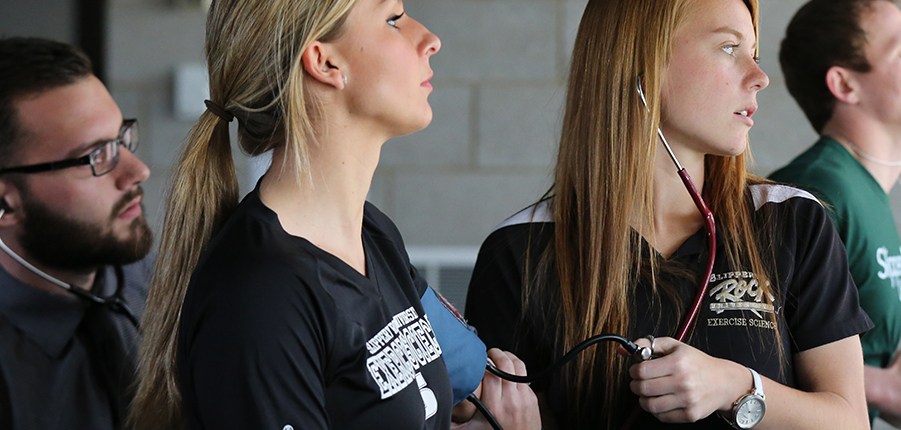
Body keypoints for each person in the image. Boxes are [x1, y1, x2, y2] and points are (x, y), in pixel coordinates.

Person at [464, 0, 874, 429]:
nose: (759, 77)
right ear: (643, 60)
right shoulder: (519, 249)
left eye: (755, 53)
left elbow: (850, 420)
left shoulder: (791, 220)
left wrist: (736, 386)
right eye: (730, 48)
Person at [128, 1, 538, 429]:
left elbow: (473, 382)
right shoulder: (262, 295)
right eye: (393, 20)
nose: (431, 40)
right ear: (324, 61)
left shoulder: (372, 232)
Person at [768, 0, 901, 427]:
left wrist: (886, 372)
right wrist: (887, 386)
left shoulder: (860, 189)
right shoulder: (815, 193)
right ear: (846, 85)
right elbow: (751, 352)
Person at [0, 37, 154, 429]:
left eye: (121, 139)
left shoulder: (162, 283)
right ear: (6, 203)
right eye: (95, 156)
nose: (137, 172)